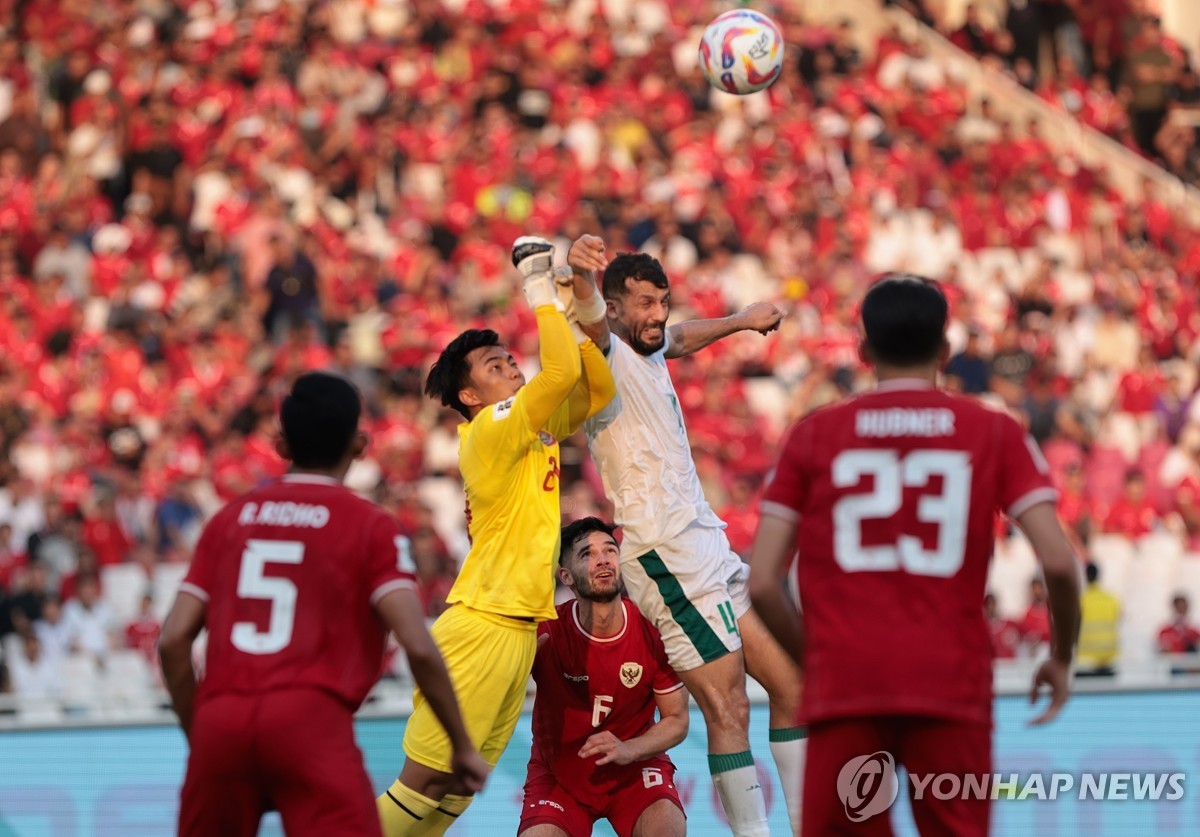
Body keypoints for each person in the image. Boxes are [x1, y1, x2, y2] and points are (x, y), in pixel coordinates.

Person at [749, 275, 1081, 837]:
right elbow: (1057, 561)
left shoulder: (813, 434)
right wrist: (1062, 655)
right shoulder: (994, 431)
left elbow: (761, 583)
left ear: (863, 351)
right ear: (946, 350)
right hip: (949, 683)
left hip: (847, 685)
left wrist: (819, 659)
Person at [158, 372, 488, 837]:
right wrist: (461, 745)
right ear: (360, 444)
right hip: (310, 723)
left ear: (280, 445)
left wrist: (204, 737)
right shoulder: (371, 526)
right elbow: (416, 643)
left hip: (221, 720)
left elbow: (173, 641)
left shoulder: (228, 521)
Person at [377, 236, 616, 836]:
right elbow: (559, 372)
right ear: (468, 396)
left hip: (515, 627)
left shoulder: (528, 428)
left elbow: (596, 390)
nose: (511, 363)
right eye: (493, 365)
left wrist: (571, 308)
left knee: (455, 791)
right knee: (425, 779)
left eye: (508, 356)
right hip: (483, 623)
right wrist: (540, 286)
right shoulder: (490, 428)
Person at [567, 240, 803, 836]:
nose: (659, 313)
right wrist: (577, 275)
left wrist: (742, 322)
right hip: (664, 555)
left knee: (795, 686)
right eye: (644, 303)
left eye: (663, 301)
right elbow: (592, 318)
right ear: (615, 310)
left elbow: (682, 336)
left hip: (708, 546)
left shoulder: (648, 345)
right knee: (728, 708)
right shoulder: (603, 351)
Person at [519, 517, 688, 837]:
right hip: (559, 776)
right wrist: (517, 663)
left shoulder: (654, 628)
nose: (603, 558)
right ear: (565, 576)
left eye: (610, 549)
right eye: (587, 554)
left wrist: (630, 749)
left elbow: (677, 719)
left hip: (635, 769)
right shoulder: (546, 632)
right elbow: (497, 696)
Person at [1077, 561, 1120, 677]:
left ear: (1085, 576)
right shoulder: (1112, 599)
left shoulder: (1080, 600)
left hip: (1084, 661)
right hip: (1108, 660)